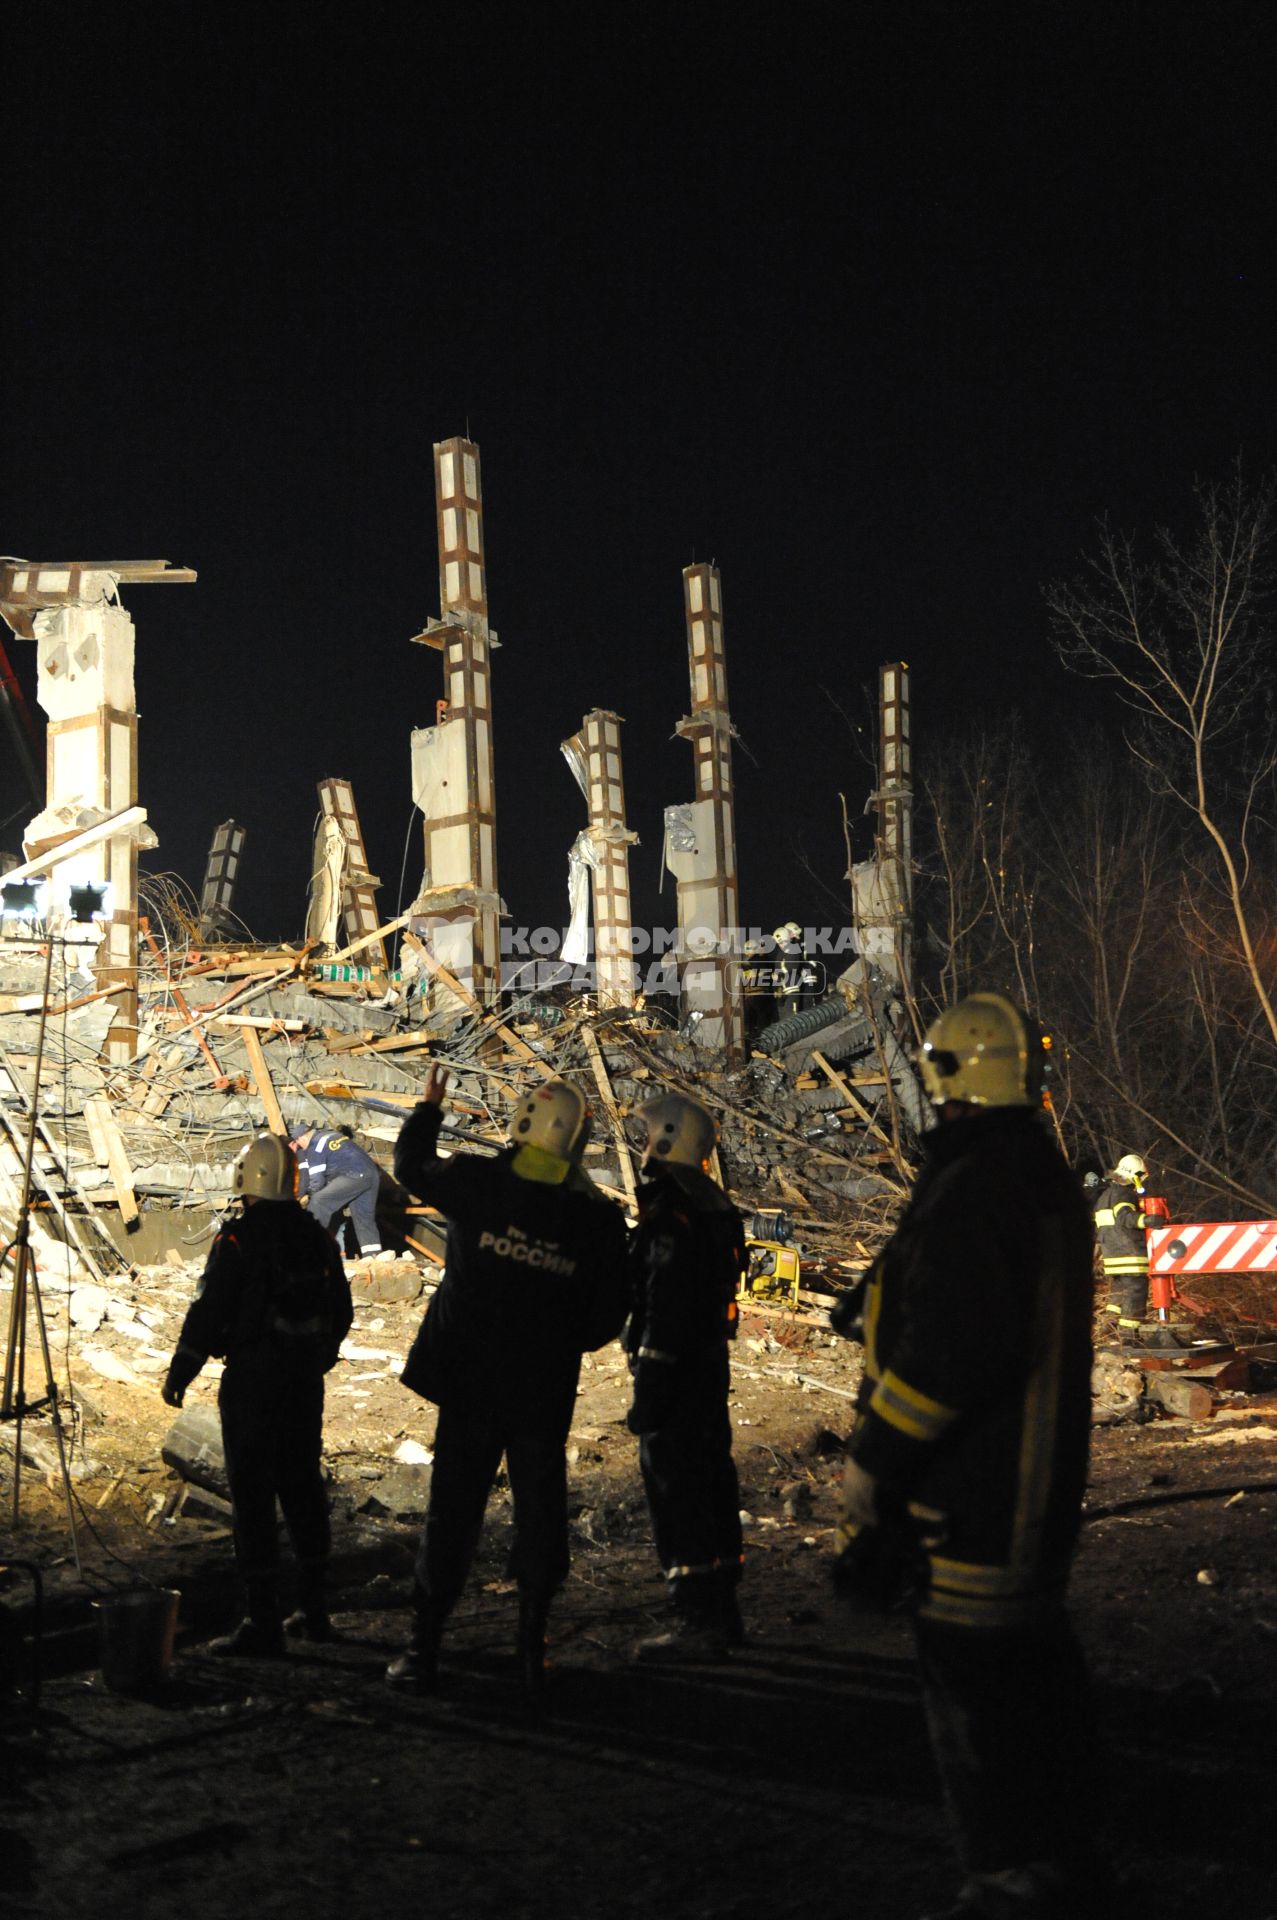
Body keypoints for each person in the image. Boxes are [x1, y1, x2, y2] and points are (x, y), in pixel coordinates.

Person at [832, 993, 1101, 1920]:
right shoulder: (1023, 1168)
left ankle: (1010, 1875)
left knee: (978, 1691)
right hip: (1025, 1488)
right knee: (1032, 1679)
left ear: (947, 1076)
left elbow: (955, 1348)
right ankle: (1059, 1853)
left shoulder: (978, 1182)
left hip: (980, 1491)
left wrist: (876, 1457)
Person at [386, 1067, 628, 1697]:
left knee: (453, 1514)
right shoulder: (595, 1220)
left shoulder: (476, 1181)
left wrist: (429, 1108)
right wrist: (554, 1337)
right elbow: (608, 1316)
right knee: (541, 1514)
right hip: (541, 1391)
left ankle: (423, 1648)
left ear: (522, 1121)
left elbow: (411, 1167)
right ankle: (531, 1648)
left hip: (470, 1383)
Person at [161, 1132, 353, 1654]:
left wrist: (182, 1368)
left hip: (252, 1381)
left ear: (247, 1179)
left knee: (253, 1499)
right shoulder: (316, 1236)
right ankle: (315, 1612)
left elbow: (210, 1310)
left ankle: (262, 1623)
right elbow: (342, 1310)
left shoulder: (239, 1239)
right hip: (302, 1382)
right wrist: (318, 1356)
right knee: (302, 1489)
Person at [625, 1091, 747, 1662]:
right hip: (707, 1367)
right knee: (712, 1477)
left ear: (671, 1136)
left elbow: (663, 1304)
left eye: (648, 1133)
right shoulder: (711, 1204)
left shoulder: (672, 1211)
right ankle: (722, 1610)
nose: (642, 1143)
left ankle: (697, 1617)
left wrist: (649, 1385)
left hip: (675, 1372)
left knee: (678, 1488)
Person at [290, 1123, 387, 1260]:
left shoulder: (315, 1146)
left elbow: (316, 1181)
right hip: (372, 1175)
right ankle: (374, 1258)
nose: (299, 1146)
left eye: (298, 1142)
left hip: (353, 1175)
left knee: (319, 1201)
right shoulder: (330, 1136)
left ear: (302, 1138)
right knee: (363, 1218)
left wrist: (308, 1197)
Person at [1092, 1152, 1151, 1340]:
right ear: (1136, 1176)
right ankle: (1129, 1336)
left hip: (1112, 1255)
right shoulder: (1125, 1194)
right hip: (1130, 1254)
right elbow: (1125, 1217)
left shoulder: (1104, 1196)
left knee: (1118, 1294)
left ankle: (1108, 1329)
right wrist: (1149, 1219)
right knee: (1135, 1292)